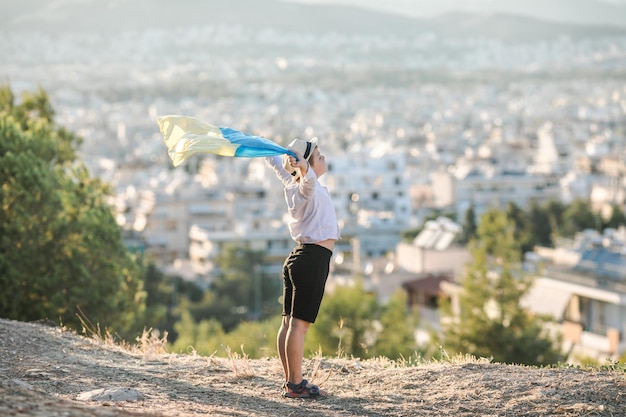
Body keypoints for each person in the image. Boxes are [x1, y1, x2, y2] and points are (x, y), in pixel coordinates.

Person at [265, 137, 340, 399]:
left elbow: (278, 167)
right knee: (299, 326)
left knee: (288, 324)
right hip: (312, 259)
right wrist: (301, 165)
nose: (323, 158)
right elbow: (306, 177)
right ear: (306, 165)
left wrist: (268, 148)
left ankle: (291, 381)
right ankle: (295, 384)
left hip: (299, 258)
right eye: (319, 156)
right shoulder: (307, 187)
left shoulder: (293, 186)